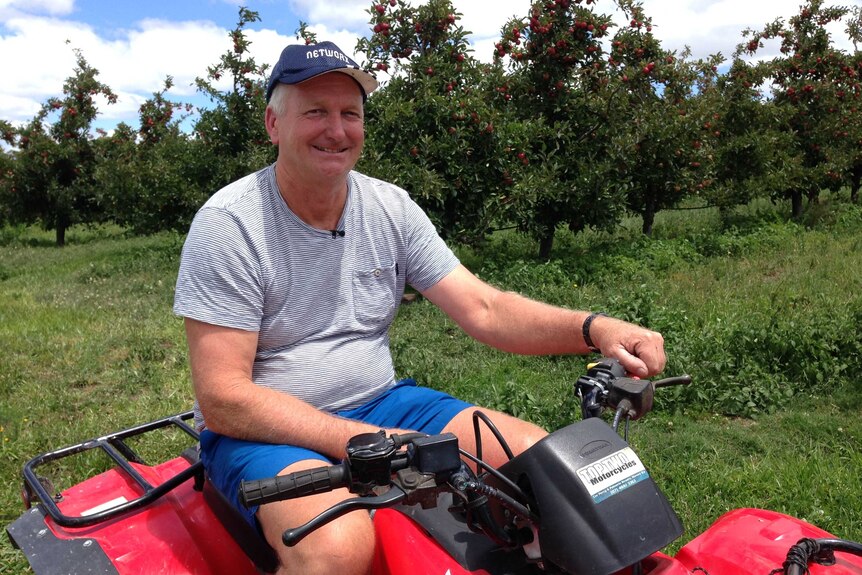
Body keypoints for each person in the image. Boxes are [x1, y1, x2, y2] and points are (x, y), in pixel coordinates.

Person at [174, 40, 666, 575]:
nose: (336, 130)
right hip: (266, 432)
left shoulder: (390, 207)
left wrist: (593, 328)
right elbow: (223, 398)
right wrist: (360, 443)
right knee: (338, 549)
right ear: (273, 123)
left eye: (350, 113)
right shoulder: (232, 224)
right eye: (315, 111)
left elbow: (485, 307)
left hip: (382, 403)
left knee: (545, 467)